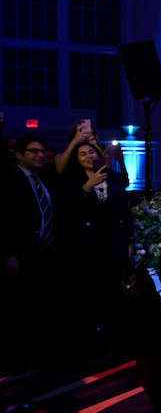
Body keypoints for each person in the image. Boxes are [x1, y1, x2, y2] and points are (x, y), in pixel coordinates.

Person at [0, 135, 66, 369]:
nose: (40, 155)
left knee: (44, 305)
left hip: (47, 253)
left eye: (42, 151)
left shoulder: (46, 179)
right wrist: (7, 254)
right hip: (22, 254)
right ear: (19, 154)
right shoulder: (8, 180)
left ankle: (42, 356)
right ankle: (19, 359)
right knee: (21, 307)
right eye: (34, 151)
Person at [61, 142, 134, 342]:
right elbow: (69, 208)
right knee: (93, 292)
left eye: (91, 152)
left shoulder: (112, 177)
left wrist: (128, 240)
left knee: (114, 290)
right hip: (89, 244)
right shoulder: (73, 180)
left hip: (114, 242)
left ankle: (116, 335)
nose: (88, 156)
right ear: (77, 159)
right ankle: (94, 337)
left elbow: (124, 209)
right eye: (83, 154)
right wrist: (88, 185)